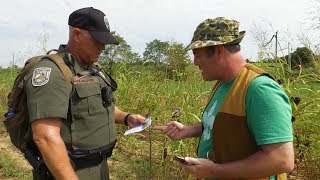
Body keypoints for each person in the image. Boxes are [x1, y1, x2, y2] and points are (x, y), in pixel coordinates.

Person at [153, 17, 294, 179]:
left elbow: (281, 160)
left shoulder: (260, 90)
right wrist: (188, 130)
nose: (195, 62)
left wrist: (214, 171)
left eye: (197, 55)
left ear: (219, 51)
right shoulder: (222, 84)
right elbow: (225, 125)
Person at [25, 7, 146, 180]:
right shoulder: (54, 72)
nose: (103, 47)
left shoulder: (93, 70)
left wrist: (127, 118)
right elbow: (45, 137)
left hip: (100, 166)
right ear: (76, 34)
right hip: (70, 170)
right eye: (97, 40)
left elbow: (100, 108)